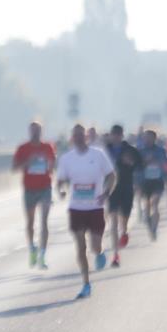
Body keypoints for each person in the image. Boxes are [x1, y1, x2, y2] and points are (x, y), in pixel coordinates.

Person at [56, 124, 116, 298]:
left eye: (81, 135)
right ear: (72, 138)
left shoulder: (98, 155)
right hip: (76, 208)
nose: (79, 138)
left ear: (86, 137)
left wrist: (106, 193)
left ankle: (100, 252)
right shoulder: (67, 158)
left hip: (95, 207)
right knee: (80, 248)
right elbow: (60, 180)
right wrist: (60, 190)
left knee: (94, 245)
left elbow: (112, 175)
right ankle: (86, 284)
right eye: (76, 136)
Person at [12, 122, 56, 268]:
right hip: (29, 188)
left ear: (41, 132)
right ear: (29, 132)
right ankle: (32, 249)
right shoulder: (23, 148)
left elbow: (53, 166)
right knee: (30, 223)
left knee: (44, 221)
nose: (36, 133)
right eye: (33, 131)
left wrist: (50, 164)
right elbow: (14, 168)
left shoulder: (48, 147)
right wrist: (27, 162)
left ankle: (42, 254)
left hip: (45, 188)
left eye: (38, 130)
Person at [105, 124, 142, 268]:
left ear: (121, 135)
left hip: (126, 187)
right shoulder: (105, 150)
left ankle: (125, 231)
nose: (115, 136)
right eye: (113, 134)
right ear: (111, 135)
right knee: (113, 222)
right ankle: (115, 255)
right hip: (111, 189)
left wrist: (131, 163)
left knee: (123, 220)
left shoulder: (130, 150)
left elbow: (140, 164)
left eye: (118, 134)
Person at [139, 130, 167, 240]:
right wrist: (145, 162)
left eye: (149, 137)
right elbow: (138, 166)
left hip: (157, 181)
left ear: (154, 138)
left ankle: (154, 228)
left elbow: (166, 163)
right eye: (145, 137)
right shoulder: (141, 151)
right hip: (145, 182)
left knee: (154, 204)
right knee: (146, 207)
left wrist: (158, 162)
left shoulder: (160, 150)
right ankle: (149, 223)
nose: (147, 140)